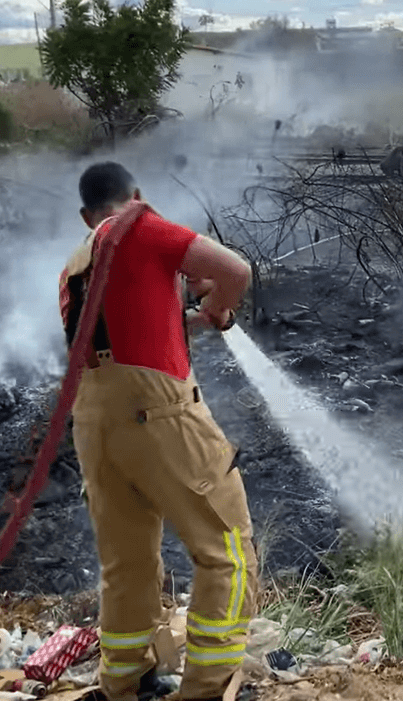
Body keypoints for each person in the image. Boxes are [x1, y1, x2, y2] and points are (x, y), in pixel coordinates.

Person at [57, 161, 258, 701]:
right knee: (227, 551)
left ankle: (124, 683)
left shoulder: (78, 264)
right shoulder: (142, 225)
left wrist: (186, 310)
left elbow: (126, 331)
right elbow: (236, 271)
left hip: (95, 420)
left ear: (86, 215)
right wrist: (217, 307)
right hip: (158, 412)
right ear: (137, 196)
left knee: (126, 561)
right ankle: (207, 689)